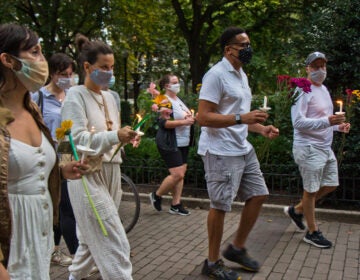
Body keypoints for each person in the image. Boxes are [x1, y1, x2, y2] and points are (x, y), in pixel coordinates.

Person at [0, 23, 89, 280]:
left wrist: (61, 170)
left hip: (38, 240)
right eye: (35, 52)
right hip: (10, 245)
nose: (42, 61)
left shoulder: (32, 111)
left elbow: (31, 166)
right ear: (7, 60)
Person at [196, 26, 279, 279]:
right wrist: (241, 117)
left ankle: (236, 248)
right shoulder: (216, 75)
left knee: (258, 194)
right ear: (228, 49)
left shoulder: (241, 75)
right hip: (220, 150)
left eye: (248, 44)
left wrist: (260, 128)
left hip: (242, 146)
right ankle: (212, 262)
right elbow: (203, 117)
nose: (248, 49)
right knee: (220, 205)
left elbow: (240, 118)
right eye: (243, 45)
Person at [62, 34, 139, 280]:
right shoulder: (75, 95)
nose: (110, 72)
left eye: (112, 67)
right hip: (86, 174)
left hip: (112, 170)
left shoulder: (110, 97)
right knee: (113, 241)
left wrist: (126, 138)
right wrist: (115, 135)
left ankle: (75, 277)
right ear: (87, 67)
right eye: (104, 67)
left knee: (89, 237)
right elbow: (74, 140)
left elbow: (111, 135)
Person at [284, 51, 350, 248]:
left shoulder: (324, 89)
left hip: (324, 147)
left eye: (323, 66)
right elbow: (298, 122)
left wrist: (338, 127)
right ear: (307, 69)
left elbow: (325, 120)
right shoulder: (302, 89)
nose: (320, 70)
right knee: (310, 191)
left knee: (331, 184)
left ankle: (296, 211)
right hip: (309, 147)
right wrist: (327, 121)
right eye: (315, 66)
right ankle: (312, 232)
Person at [32, 53, 77, 266]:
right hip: (46, 155)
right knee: (55, 204)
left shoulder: (71, 96)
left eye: (70, 73)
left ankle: (57, 251)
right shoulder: (38, 96)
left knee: (64, 204)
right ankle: (60, 252)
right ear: (52, 73)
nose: (67, 78)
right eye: (62, 74)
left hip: (67, 154)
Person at [149, 74, 195, 216]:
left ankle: (176, 204)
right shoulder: (163, 99)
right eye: (175, 82)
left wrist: (190, 117)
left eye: (178, 82)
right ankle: (156, 195)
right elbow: (164, 123)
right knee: (177, 174)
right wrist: (184, 122)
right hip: (170, 142)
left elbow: (183, 116)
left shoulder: (178, 100)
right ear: (166, 86)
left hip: (183, 142)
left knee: (181, 175)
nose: (178, 84)